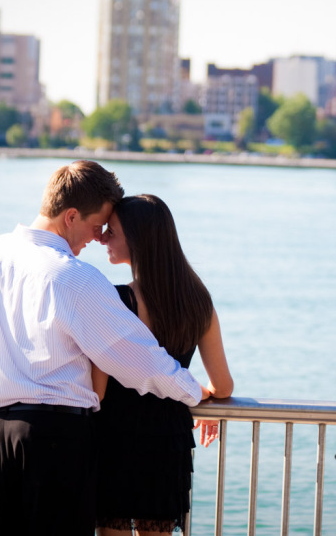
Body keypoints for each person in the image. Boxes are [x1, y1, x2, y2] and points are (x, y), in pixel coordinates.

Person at [0, 161, 204, 536]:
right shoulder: (76, 277)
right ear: (70, 217)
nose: (97, 239)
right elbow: (138, 360)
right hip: (57, 440)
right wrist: (193, 392)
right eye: (96, 226)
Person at [92, 194, 233, 536]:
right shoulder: (198, 302)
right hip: (168, 440)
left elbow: (98, 389)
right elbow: (224, 387)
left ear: (138, 239)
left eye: (112, 231)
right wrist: (199, 394)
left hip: (115, 437)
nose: (102, 238)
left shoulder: (118, 300)